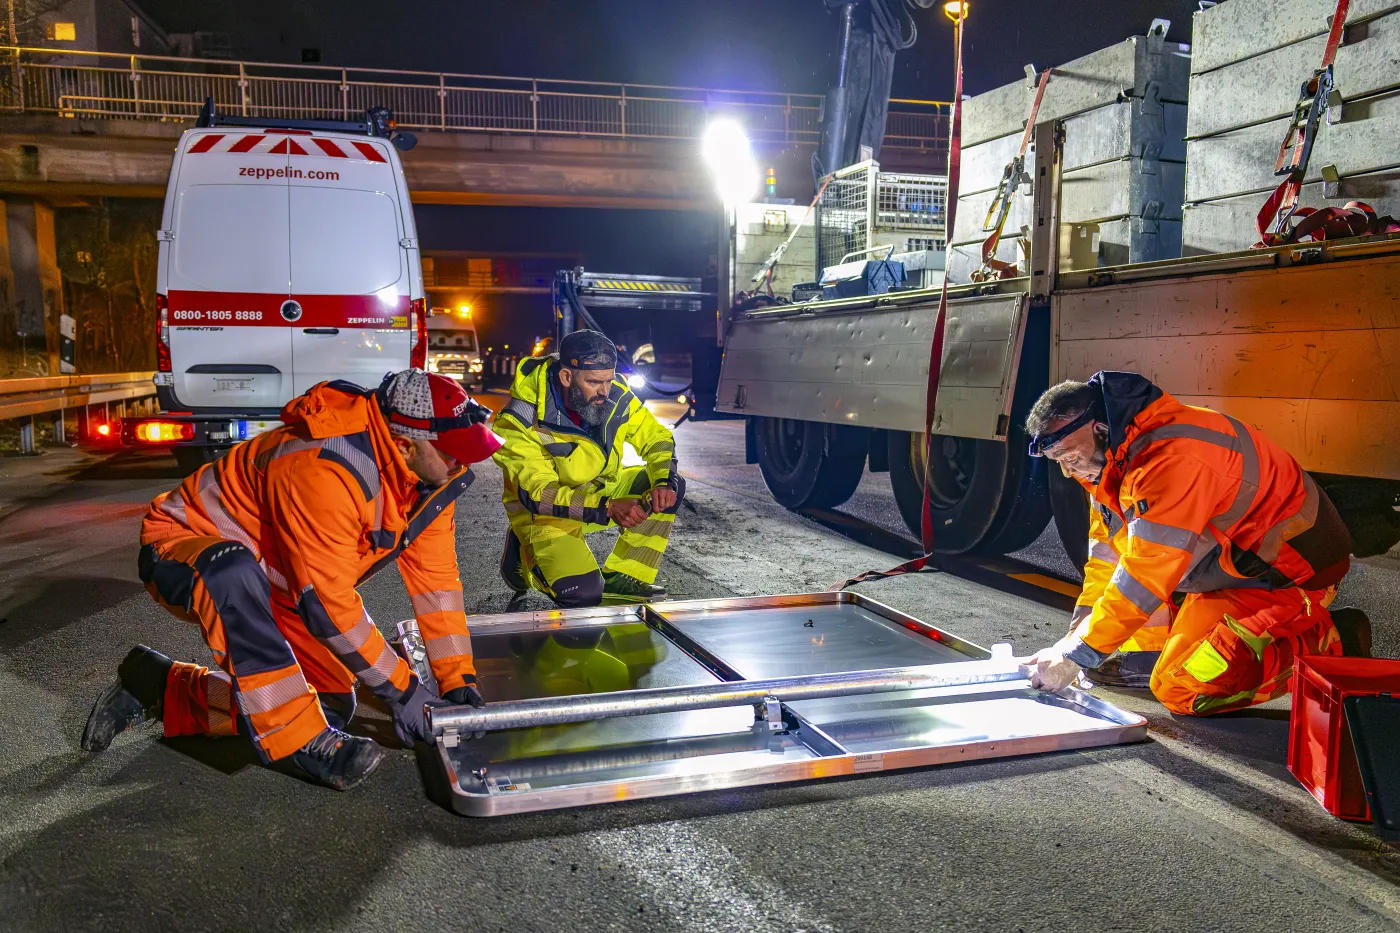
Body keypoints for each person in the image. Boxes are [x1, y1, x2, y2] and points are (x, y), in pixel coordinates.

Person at [80, 371, 503, 790]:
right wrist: (405, 692)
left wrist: (457, 681)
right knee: (234, 573)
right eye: (450, 452)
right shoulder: (322, 466)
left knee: (327, 703)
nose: (459, 463)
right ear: (405, 445)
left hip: (277, 576)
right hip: (186, 548)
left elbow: (437, 585)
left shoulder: (428, 480)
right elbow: (327, 604)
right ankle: (299, 743)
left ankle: (157, 684)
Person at [1019, 371, 1371, 716]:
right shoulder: (1110, 462)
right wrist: (1070, 644)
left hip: (1286, 574)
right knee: (1105, 641)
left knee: (1180, 684)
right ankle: (1168, 648)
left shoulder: (1171, 458)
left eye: (1069, 457)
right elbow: (1108, 560)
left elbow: (1145, 575)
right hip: (1229, 568)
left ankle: (1332, 643)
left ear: (1100, 430)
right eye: (1059, 462)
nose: (1067, 471)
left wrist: (1073, 658)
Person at [494, 329, 684, 606]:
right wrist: (607, 507)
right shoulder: (519, 420)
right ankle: (525, 552)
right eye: (595, 382)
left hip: (599, 498)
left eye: (608, 381)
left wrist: (665, 482)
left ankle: (622, 575)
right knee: (583, 594)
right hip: (545, 516)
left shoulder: (615, 396)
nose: (604, 392)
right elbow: (539, 494)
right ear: (566, 376)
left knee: (663, 484)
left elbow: (657, 438)